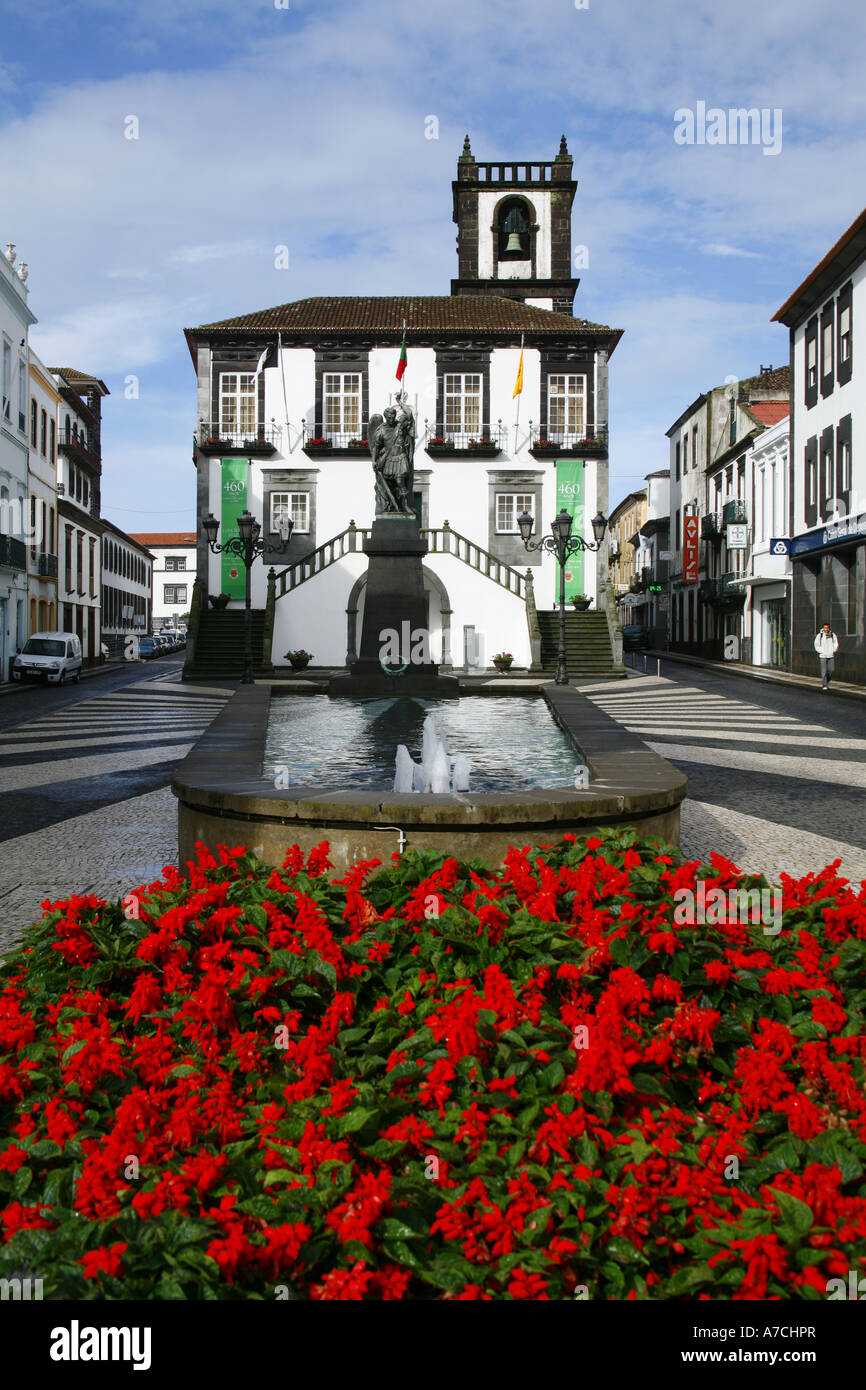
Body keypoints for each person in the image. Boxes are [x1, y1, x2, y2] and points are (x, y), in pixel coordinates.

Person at [814, 622, 839, 691]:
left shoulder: (832, 635)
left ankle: (826, 681)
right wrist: (821, 651)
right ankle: (824, 685)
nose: (826, 629)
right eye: (825, 628)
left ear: (829, 628)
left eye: (827, 628)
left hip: (831, 655)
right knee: (823, 671)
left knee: (831, 670)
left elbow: (835, 643)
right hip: (823, 656)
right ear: (823, 628)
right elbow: (816, 645)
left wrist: (833, 650)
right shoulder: (820, 635)